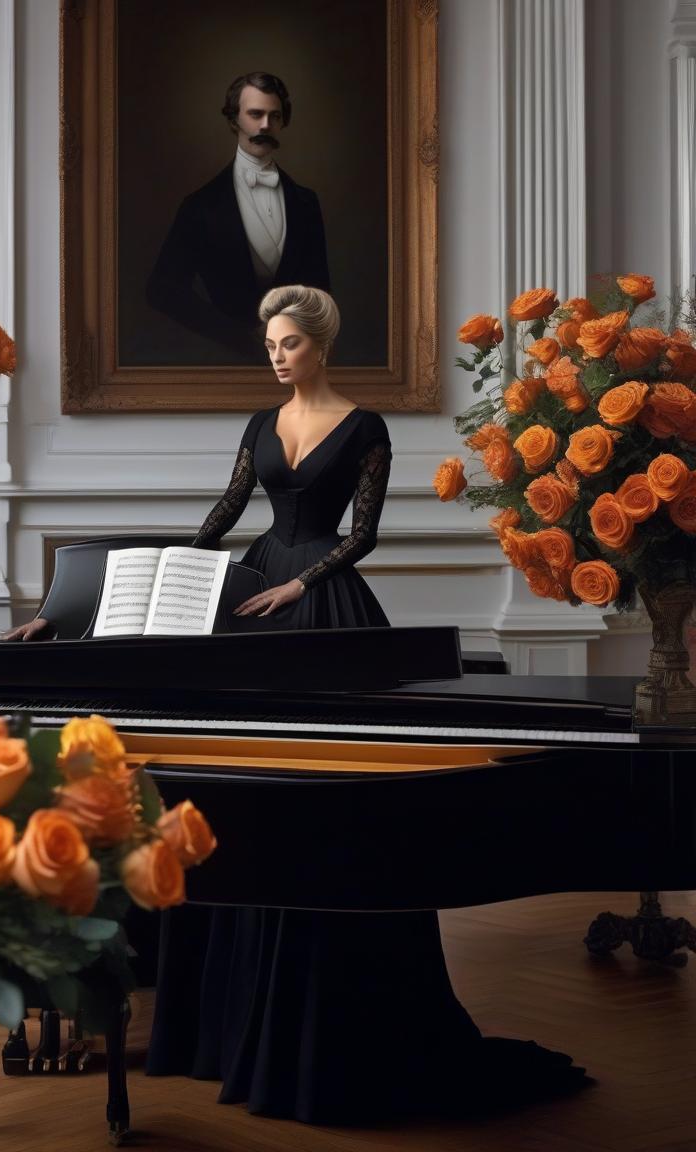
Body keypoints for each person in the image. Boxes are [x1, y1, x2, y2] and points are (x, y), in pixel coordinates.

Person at [143, 285, 588, 1124]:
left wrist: (298, 586)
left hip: (321, 603)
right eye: (268, 343)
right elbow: (230, 510)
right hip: (255, 591)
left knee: (327, 805)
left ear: (319, 346)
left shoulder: (366, 426)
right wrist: (170, 564)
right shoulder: (257, 425)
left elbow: (364, 534)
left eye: (288, 344)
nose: (275, 356)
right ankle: (235, 1022)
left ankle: (333, 1009)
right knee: (242, 793)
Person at [146, 73, 330, 362]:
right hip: (223, 361)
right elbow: (162, 291)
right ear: (234, 120)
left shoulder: (306, 202)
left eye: (275, 116)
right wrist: (236, 334)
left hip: (299, 365)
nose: (265, 125)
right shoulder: (200, 206)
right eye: (255, 114)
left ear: (283, 122)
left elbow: (320, 292)